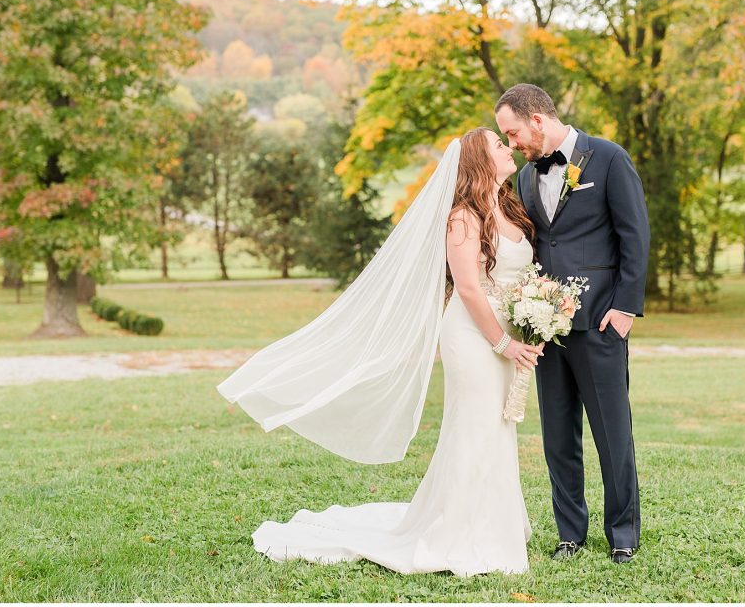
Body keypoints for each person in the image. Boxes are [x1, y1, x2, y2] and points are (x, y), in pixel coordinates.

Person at [217, 127, 544, 577]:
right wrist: (503, 342)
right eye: (498, 145)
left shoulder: (507, 207)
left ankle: (493, 523)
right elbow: (468, 288)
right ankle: (458, 533)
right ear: (479, 161)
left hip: (506, 333)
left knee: (498, 427)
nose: (508, 149)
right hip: (474, 336)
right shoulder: (462, 218)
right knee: (475, 426)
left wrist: (537, 316)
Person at [495, 83, 650, 565]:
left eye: (514, 132)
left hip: (601, 322)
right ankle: (570, 532)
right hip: (544, 329)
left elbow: (635, 234)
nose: (513, 143)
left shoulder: (607, 158)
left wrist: (624, 309)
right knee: (558, 436)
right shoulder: (523, 178)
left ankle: (622, 533)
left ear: (537, 120)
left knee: (612, 434)